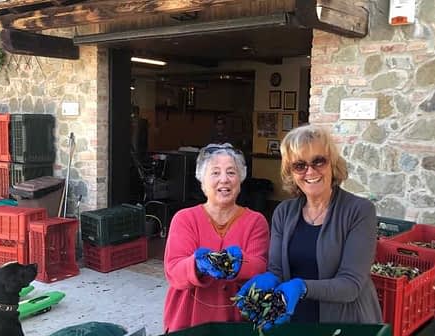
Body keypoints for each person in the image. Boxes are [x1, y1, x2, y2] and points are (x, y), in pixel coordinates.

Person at [236, 124, 382, 328]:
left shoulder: (359, 211)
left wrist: (302, 287)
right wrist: (268, 279)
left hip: (346, 322)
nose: (310, 171)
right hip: (294, 318)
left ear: (332, 163)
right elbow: (277, 269)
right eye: (299, 165)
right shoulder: (283, 212)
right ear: (291, 172)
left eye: (318, 161)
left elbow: (351, 284)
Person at [163, 143, 270, 333]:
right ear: (202, 181)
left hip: (236, 321)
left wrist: (239, 263)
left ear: (240, 180)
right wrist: (195, 265)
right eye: (215, 173)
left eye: (231, 172)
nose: (224, 179)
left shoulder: (256, 221)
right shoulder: (185, 219)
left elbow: (259, 265)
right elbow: (174, 273)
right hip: (187, 319)